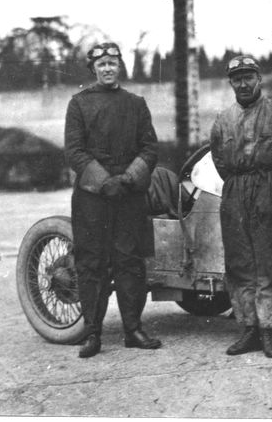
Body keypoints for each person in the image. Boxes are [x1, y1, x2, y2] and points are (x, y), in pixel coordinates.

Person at [210, 55, 272, 358]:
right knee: (239, 264)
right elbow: (218, 159)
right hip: (235, 194)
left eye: (248, 77)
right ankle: (248, 330)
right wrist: (237, 185)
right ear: (231, 83)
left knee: (268, 264)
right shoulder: (222, 120)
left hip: (271, 191)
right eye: (237, 78)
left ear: (259, 79)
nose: (243, 84)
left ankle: (268, 332)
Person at [64, 42, 162, 358]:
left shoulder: (136, 104)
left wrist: (129, 179)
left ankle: (133, 329)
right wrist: (104, 182)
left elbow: (149, 148)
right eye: (102, 64)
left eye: (113, 63)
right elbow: (74, 151)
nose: (108, 68)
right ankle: (92, 334)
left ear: (120, 67)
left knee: (130, 262)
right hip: (93, 198)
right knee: (91, 262)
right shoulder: (78, 104)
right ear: (93, 69)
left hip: (128, 195)